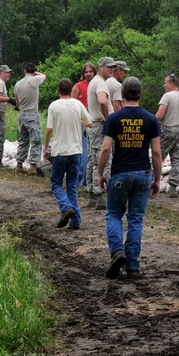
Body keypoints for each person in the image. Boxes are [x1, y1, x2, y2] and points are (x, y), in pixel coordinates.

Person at [97, 77, 162, 279]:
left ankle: (117, 251)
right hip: (143, 174)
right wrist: (157, 179)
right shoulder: (151, 119)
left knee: (114, 214)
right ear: (140, 94)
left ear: (122, 95)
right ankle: (132, 265)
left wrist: (100, 173)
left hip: (120, 173)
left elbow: (106, 148)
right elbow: (157, 153)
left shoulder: (114, 118)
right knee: (135, 218)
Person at [44, 78, 92, 230]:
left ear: (58, 90)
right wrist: (79, 121)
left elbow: (49, 129)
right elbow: (90, 122)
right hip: (76, 151)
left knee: (56, 183)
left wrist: (46, 148)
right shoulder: (77, 104)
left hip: (60, 151)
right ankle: (76, 220)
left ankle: (65, 207)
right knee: (71, 186)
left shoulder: (54, 106)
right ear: (72, 90)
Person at [86, 57, 116, 209]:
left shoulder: (94, 81)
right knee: (104, 160)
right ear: (101, 67)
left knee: (93, 160)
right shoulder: (100, 83)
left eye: (113, 67)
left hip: (94, 125)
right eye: (108, 67)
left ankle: (93, 195)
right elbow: (102, 101)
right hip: (101, 126)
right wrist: (109, 119)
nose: (111, 69)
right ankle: (102, 196)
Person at [156, 74, 179, 197]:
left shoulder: (167, 96)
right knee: (177, 159)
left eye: (166, 83)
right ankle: (173, 187)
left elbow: (160, 115)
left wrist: (152, 122)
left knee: (158, 157)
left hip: (167, 130)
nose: (164, 85)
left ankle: (151, 184)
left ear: (172, 84)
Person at [13, 63, 47, 174]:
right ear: (34, 72)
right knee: (36, 140)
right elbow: (44, 76)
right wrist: (36, 73)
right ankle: (32, 166)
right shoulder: (35, 80)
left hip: (22, 115)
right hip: (32, 114)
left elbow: (17, 103)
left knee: (23, 140)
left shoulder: (17, 84)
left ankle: (19, 164)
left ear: (24, 71)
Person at [70, 62, 95, 188]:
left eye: (90, 71)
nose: (88, 74)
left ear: (94, 72)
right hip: (82, 122)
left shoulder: (97, 85)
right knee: (84, 150)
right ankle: (81, 178)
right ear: (83, 73)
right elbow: (72, 105)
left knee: (91, 151)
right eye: (86, 72)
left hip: (94, 122)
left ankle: (85, 178)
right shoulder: (78, 86)